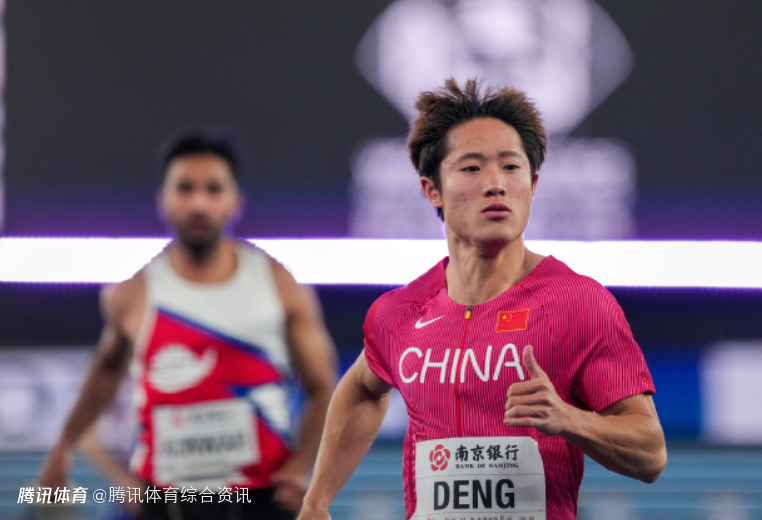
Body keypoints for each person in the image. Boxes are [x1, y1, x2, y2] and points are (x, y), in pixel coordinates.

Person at [297, 79, 666, 520]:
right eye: (471, 168)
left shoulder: (578, 303)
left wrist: (569, 419)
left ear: (533, 183)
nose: (495, 184)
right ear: (432, 189)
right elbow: (362, 388)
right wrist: (316, 501)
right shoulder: (400, 313)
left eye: (511, 167)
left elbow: (651, 454)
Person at [39, 128, 338, 520]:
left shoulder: (280, 286)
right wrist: (63, 446)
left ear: (235, 201)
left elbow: (323, 388)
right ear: (163, 200)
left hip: (260, 502)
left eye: (213, 189)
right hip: (166, 504)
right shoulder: (131, 295)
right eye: (185, 188)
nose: (198, 203)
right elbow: (106, 372)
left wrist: (301, 466)